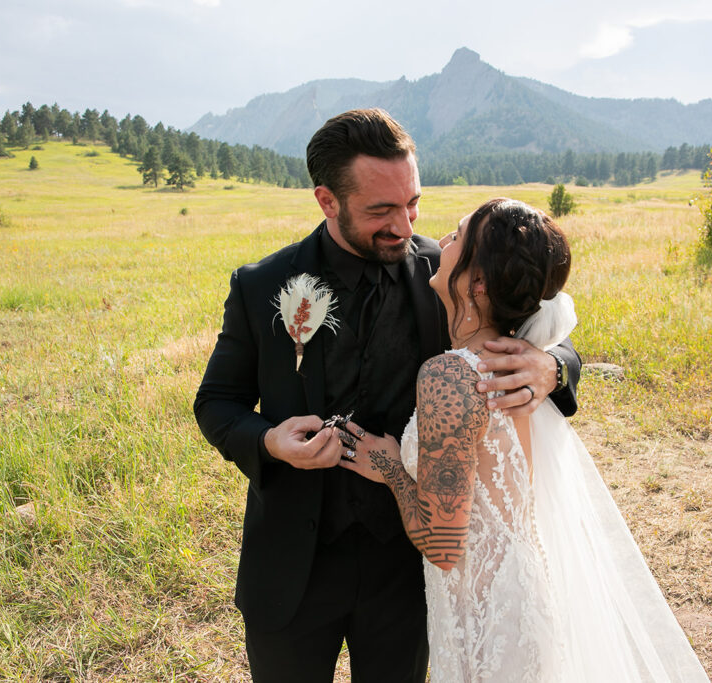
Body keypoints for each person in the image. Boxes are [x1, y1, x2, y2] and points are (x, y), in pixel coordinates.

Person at [193, 110, 583, 682]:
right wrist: (271, 442)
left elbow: (544, 325)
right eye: (381, 211)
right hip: (295, 566)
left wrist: (552, 366)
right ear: (328, 201)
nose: (404, 225)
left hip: (411, 568)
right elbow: (216, 404)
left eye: (413, 203)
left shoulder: (448, 274)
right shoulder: (263, 286)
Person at [342, 198, 709, 681]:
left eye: (455, 237)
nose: (442, 243)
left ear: (476, 283)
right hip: (512, 591)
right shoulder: (514, 361)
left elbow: (443, 544)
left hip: (488, 613)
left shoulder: (450, 377)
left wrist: (389, 467)